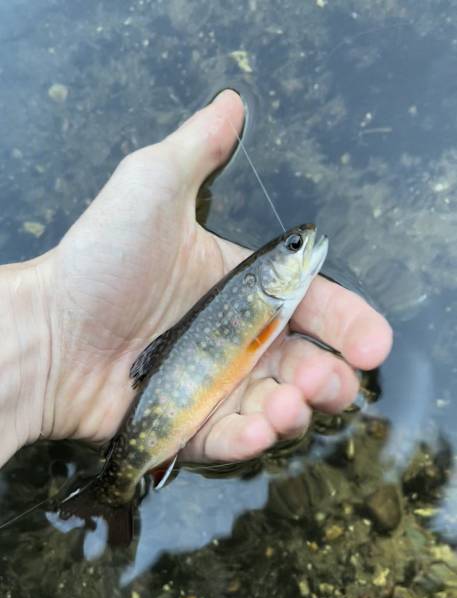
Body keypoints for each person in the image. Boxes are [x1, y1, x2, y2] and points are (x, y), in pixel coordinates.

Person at [0, 90, 392, 472]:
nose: (302, 243)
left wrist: (45, 336)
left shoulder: (271, 297)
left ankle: (123, 480)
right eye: (294, 245)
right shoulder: (269, 301)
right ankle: (120, 483)